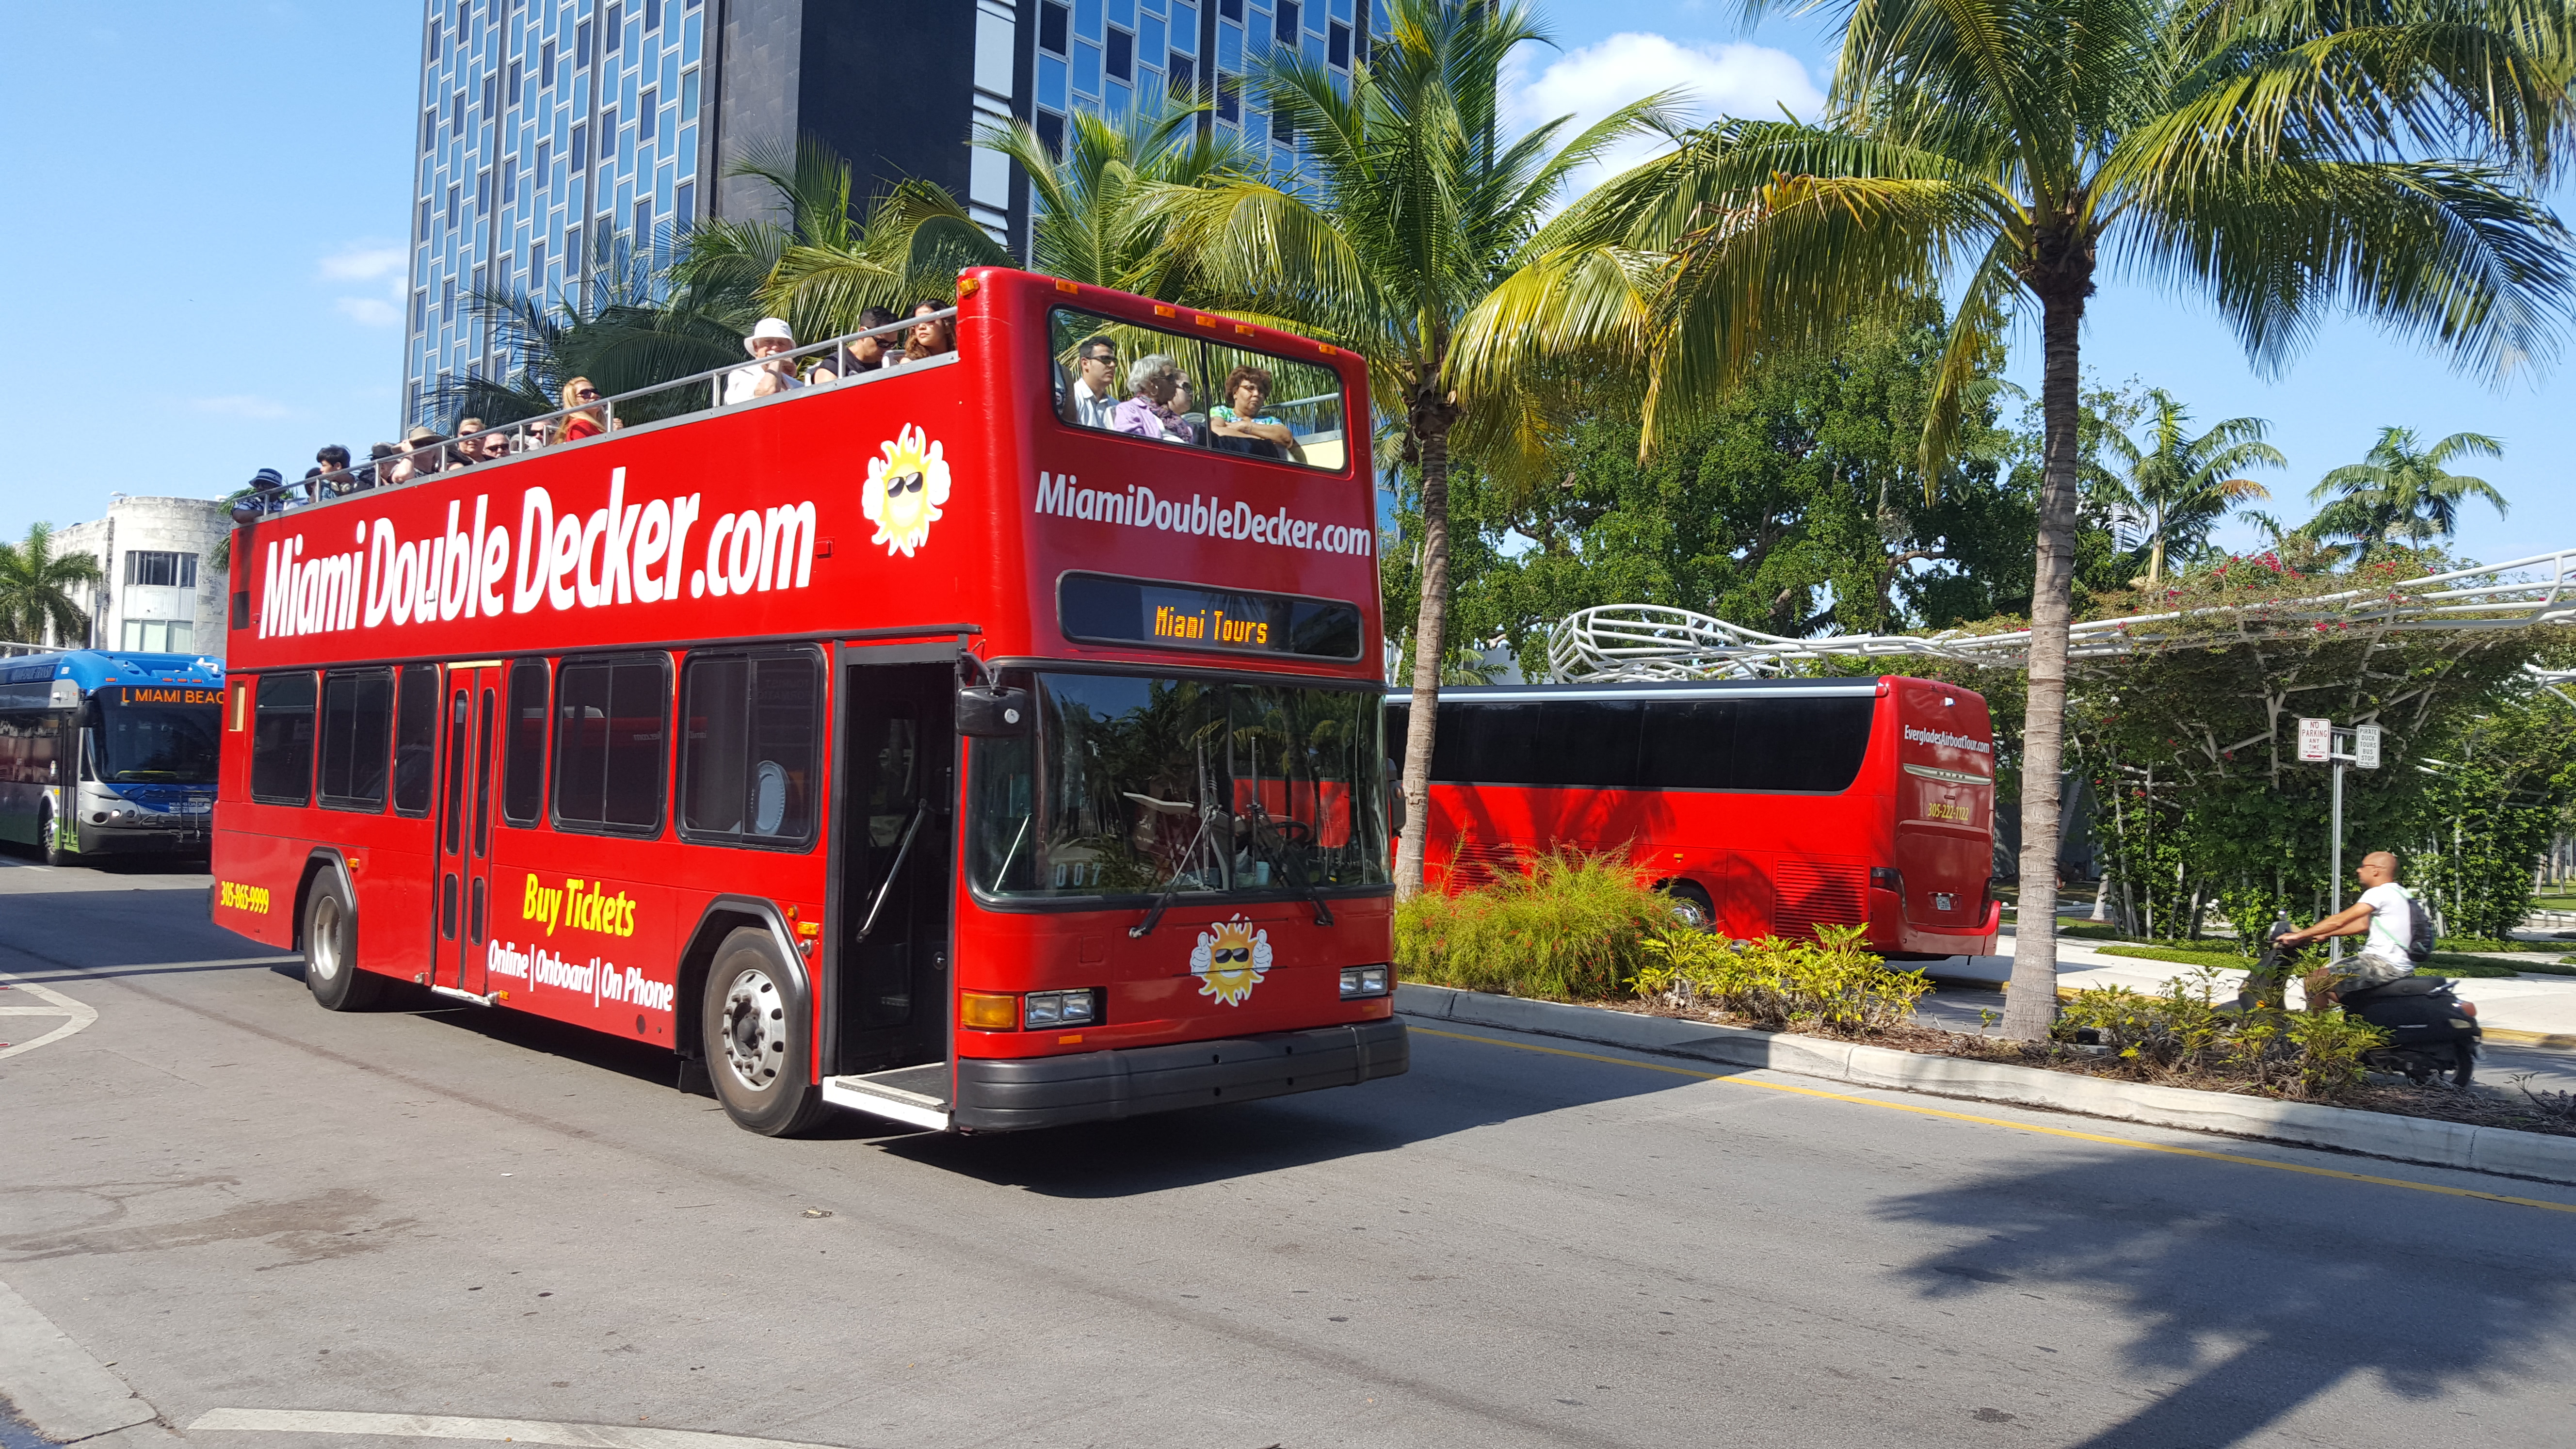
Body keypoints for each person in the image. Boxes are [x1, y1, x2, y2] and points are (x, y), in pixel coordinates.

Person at [2274, 851, 2423, 1004]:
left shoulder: (2380, 892)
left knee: (2313, 982)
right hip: (2391, 963)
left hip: (2383, 964)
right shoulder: (2399, 892)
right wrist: (2326, 934)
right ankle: (2350, 1020)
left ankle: (2317, 1027)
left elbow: (2340, 920)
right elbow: (2362, 924)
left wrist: (2299, 935)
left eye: (2364, 866)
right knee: (2329, 984)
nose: (2359, 870)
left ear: (2376, 870)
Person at [1207, 365, 1302, 462]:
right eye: (1250, 388)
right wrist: (1264, 442)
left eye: (1261, 391)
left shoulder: (1270, 420)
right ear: (1235, 392)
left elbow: (1287, 439)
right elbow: (1215, 431)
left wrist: (1245, 426)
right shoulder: (1222, 412)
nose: (1256, 394)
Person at [1108, 354, 1197, 443]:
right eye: (1170, 378)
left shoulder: (1175, 418)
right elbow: (1132, 447)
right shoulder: (1129, 410)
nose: (1175, 383)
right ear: (1151, 383)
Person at [725, 318, 806, 403]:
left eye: (782, 343)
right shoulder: (741, 375)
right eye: (769, 342)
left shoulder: (798, 385)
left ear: (789, 349)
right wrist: (776, 360)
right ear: (756, 346)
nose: (775, 347)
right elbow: (767, 393)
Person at [818, 306, 900, 382]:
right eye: (883, 344)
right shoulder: (834, 366)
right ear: (863, 334)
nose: (888, 350)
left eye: (892, 345)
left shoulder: (890, 364)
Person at [1063, 335, 1120, 429]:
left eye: (1114, 361)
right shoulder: (1072, 399)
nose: (1113, 365)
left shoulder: (1116, 406)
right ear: (1085, 363)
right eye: (1105, 359)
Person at [895, 301, 955, 365]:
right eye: (917, 322)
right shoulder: (910, 363)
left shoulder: (962, 354)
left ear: (947, 326)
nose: (921, 327)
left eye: (929, 320)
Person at [554, 378, 607, 442]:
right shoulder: (581, 425)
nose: (594, 395)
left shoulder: (587, 425)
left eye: (595, 391)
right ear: (573, 400)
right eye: (585, 393)